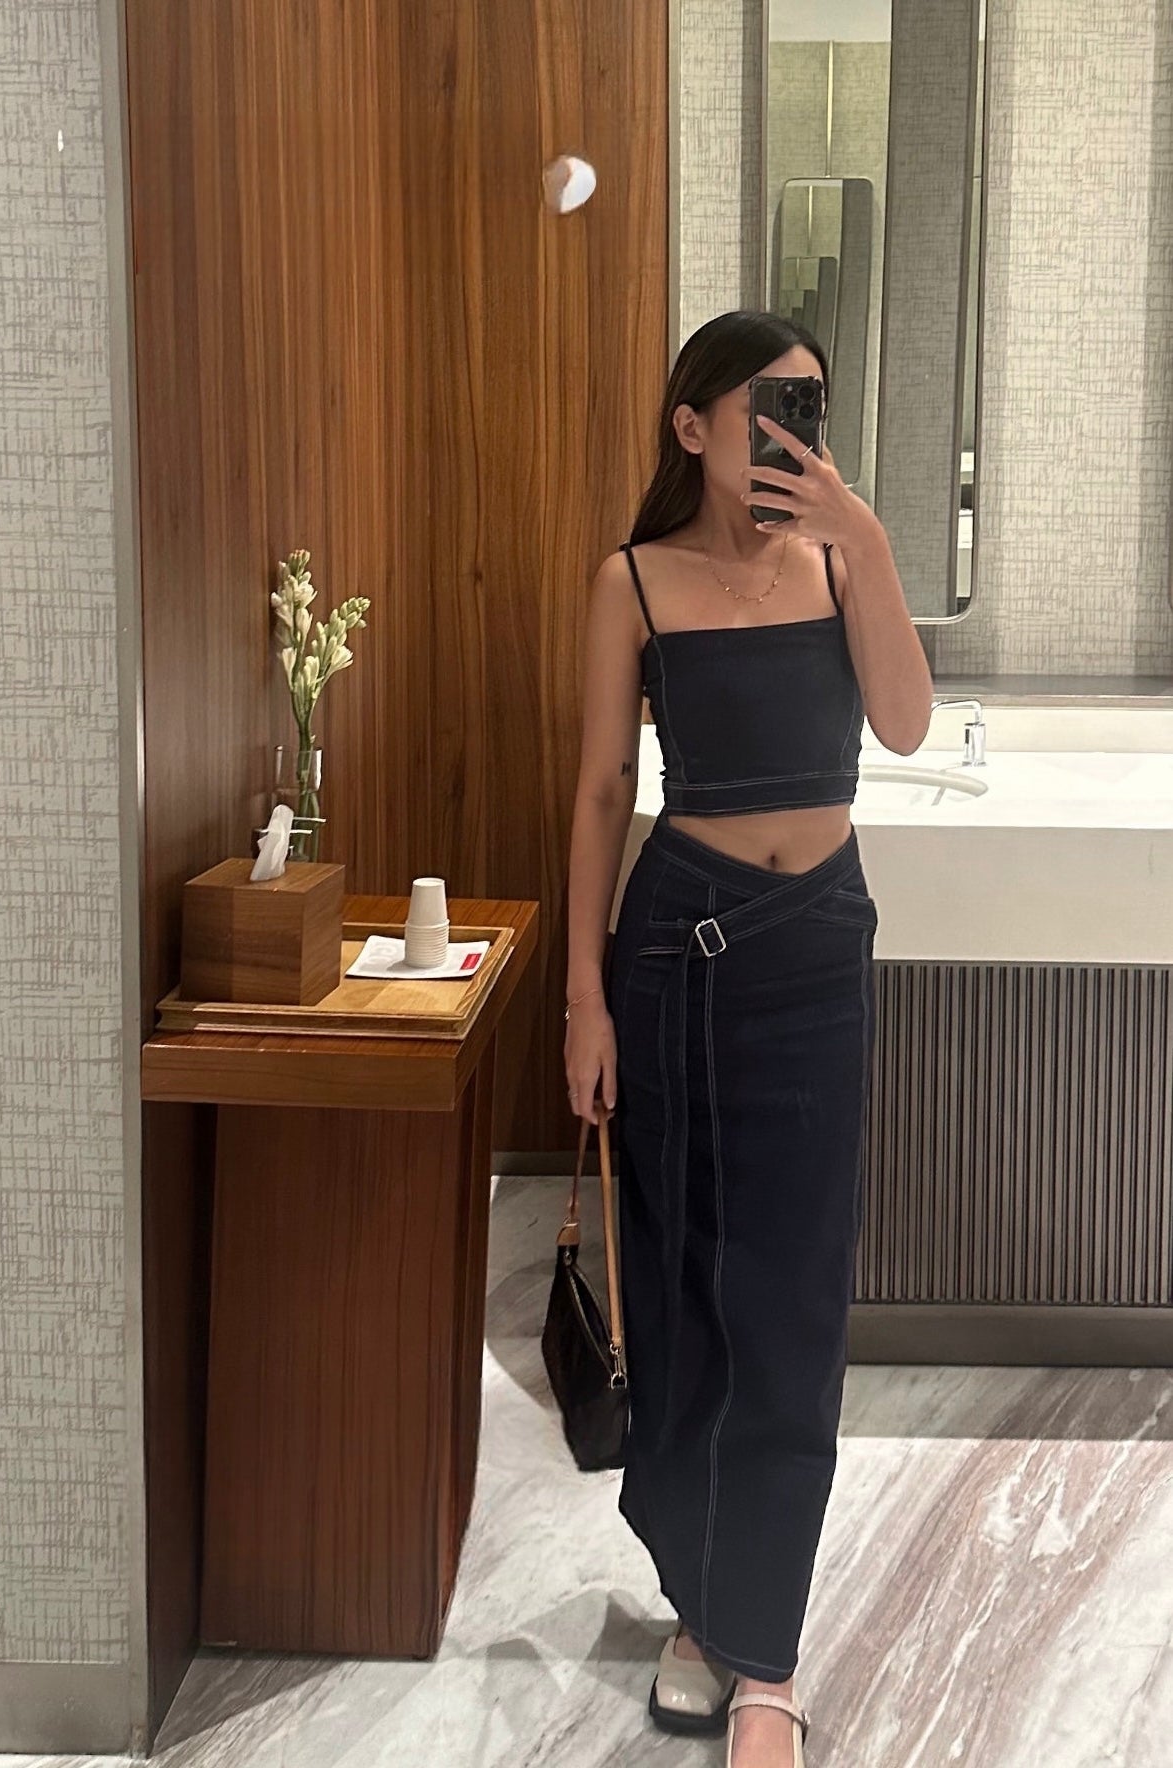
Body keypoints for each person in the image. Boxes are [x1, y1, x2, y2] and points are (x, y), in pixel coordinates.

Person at [562, 309, 934, 1768]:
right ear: (692, 424)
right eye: (768, 403)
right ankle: (705, 1611)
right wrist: (584, 1000)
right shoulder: (633, 580)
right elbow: (604, 793)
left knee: (791, 1301)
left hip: (814, 950)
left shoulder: (840, 558)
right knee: (683, 1291)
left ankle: (761, 1656)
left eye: (810, 406)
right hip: (677, 952)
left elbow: (903, 725)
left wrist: (869, 539)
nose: (791, 428)